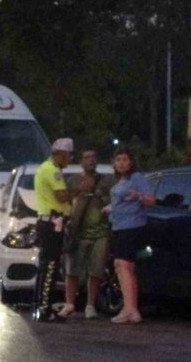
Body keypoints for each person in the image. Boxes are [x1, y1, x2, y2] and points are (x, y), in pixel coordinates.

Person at [58, 148, 114, 319]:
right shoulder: (72, 181)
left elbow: (113, 202)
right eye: (87, 157)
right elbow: (64, 202)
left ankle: (90, 305)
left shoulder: (106, 181)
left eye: (93, 156)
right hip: (77, 232)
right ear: (81, 161)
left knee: (96, 270)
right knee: (72, 270)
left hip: (100, 232)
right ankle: (70, 303)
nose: (91, 160)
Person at [32, 137, 80, 322]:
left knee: (45, 266)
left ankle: (41, 305)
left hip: (47, 221)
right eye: (69, 155)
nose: (71, 159)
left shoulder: (44, 168)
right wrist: (79, 190)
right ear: (60, 154)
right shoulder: (53, 171)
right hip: (53, 223)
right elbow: (61, 197)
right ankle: (45, 309)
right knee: (50, 266)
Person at [107, 147, 155, 324]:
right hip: (119, 226)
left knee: (124, 265)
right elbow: (120, 202)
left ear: (131, 162)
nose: (121, 163)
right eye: (118, 159)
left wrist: (139, 196)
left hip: (132, 226)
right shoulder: (121, 180)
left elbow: (151, 200)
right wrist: (110, 208)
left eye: (125, 160)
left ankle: (130, 309)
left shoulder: (136, 178)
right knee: (122, 266)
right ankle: (131, 308)